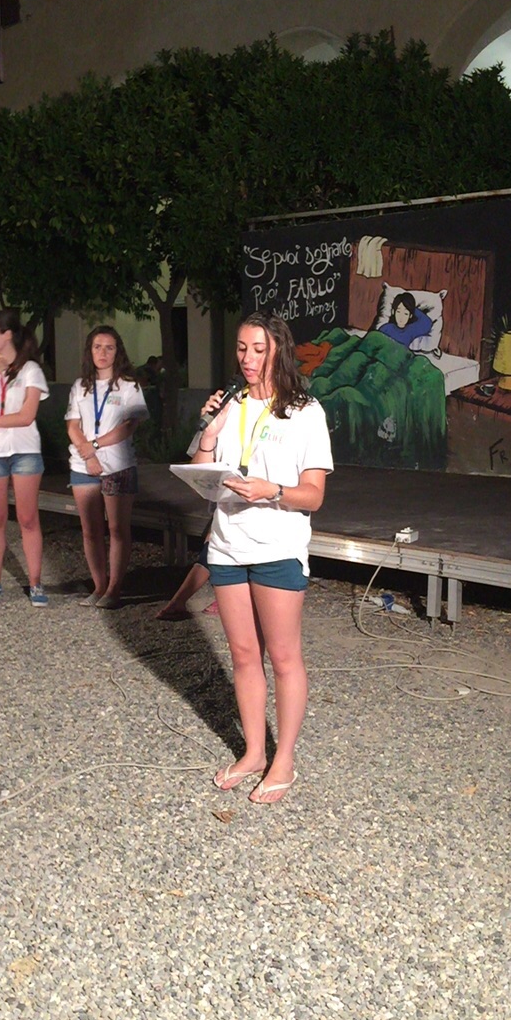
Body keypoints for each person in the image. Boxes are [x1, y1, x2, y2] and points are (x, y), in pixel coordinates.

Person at [193, 311, 333, 804]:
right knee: (244, 656)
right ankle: (254, 752)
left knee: (284, 657)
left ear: (279, 351)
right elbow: (202, 476)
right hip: (227, 546)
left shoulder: (305, 412)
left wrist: (271, 490)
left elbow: (314, 495)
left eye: (258, 349)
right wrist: (209, 434)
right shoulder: (229, 404)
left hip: (277, 548)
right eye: (241, 348)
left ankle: (284, 760)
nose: (247, 359)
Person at [0, 308, 50, 606]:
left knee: (28, 518)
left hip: (24, 450)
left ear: (7, 334)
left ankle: (36, 583)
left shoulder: (30, 370)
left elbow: (26, 416)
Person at [66, 325, 149, 609]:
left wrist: (95, 446)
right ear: (89, 351)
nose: (103, 353)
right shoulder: (80, 386)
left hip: (118, 465)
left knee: (117, 529)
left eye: (109, 347)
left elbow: (129, 425)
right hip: (83, 465)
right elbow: (72, 425)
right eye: (97, 347)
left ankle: (114, 589)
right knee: (90, 530)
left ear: (118, 352)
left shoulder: (128, 386)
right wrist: (87, 453)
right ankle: (99, 586)